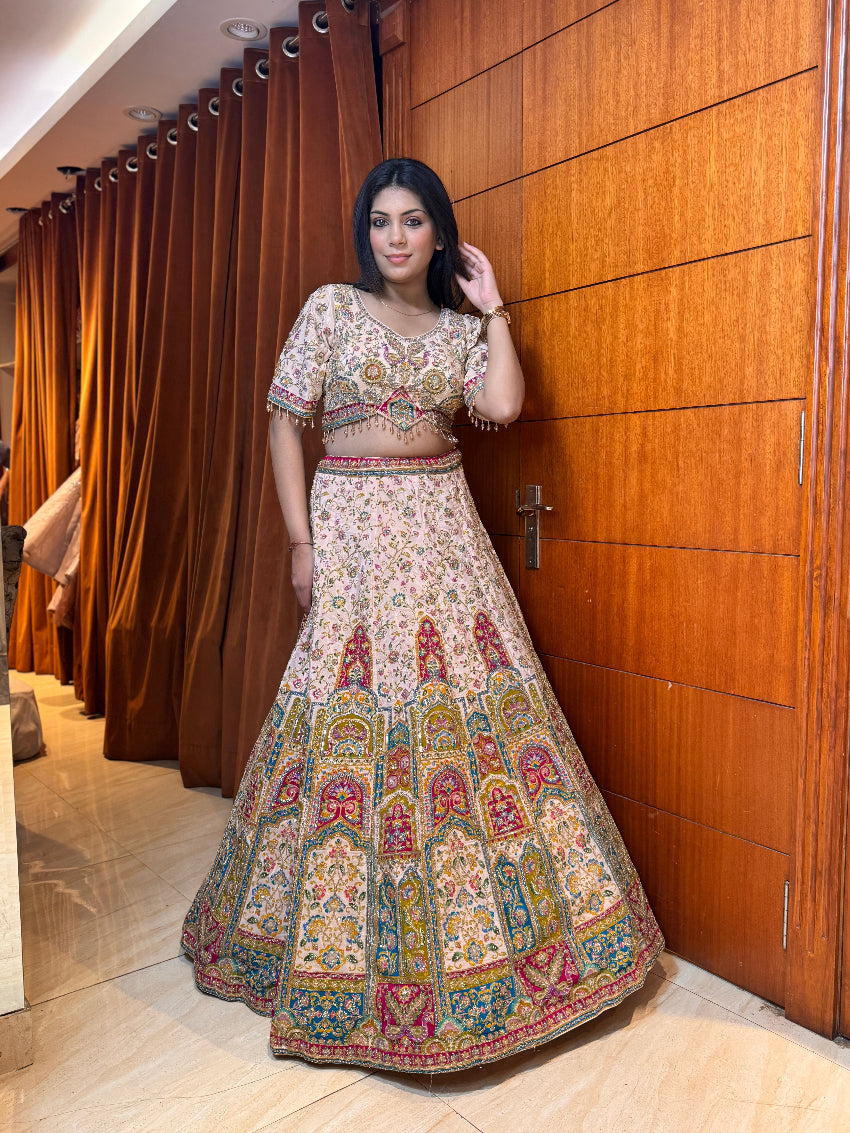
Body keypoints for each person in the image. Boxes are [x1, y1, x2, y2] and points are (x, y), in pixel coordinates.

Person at [182, 158, 664, 1072]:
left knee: (466, 713)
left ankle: (502, 947)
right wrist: (301, 540)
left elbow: (503, 405)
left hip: (443, 533)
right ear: (364, 232)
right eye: (380, 220)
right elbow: (285, 420)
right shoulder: (331, 308)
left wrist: (494, 309)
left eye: (412, 220)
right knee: (348, 710)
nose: (395, 236)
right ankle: (333, 951)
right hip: (354, 527)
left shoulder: (460, 329)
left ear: (439, 232)